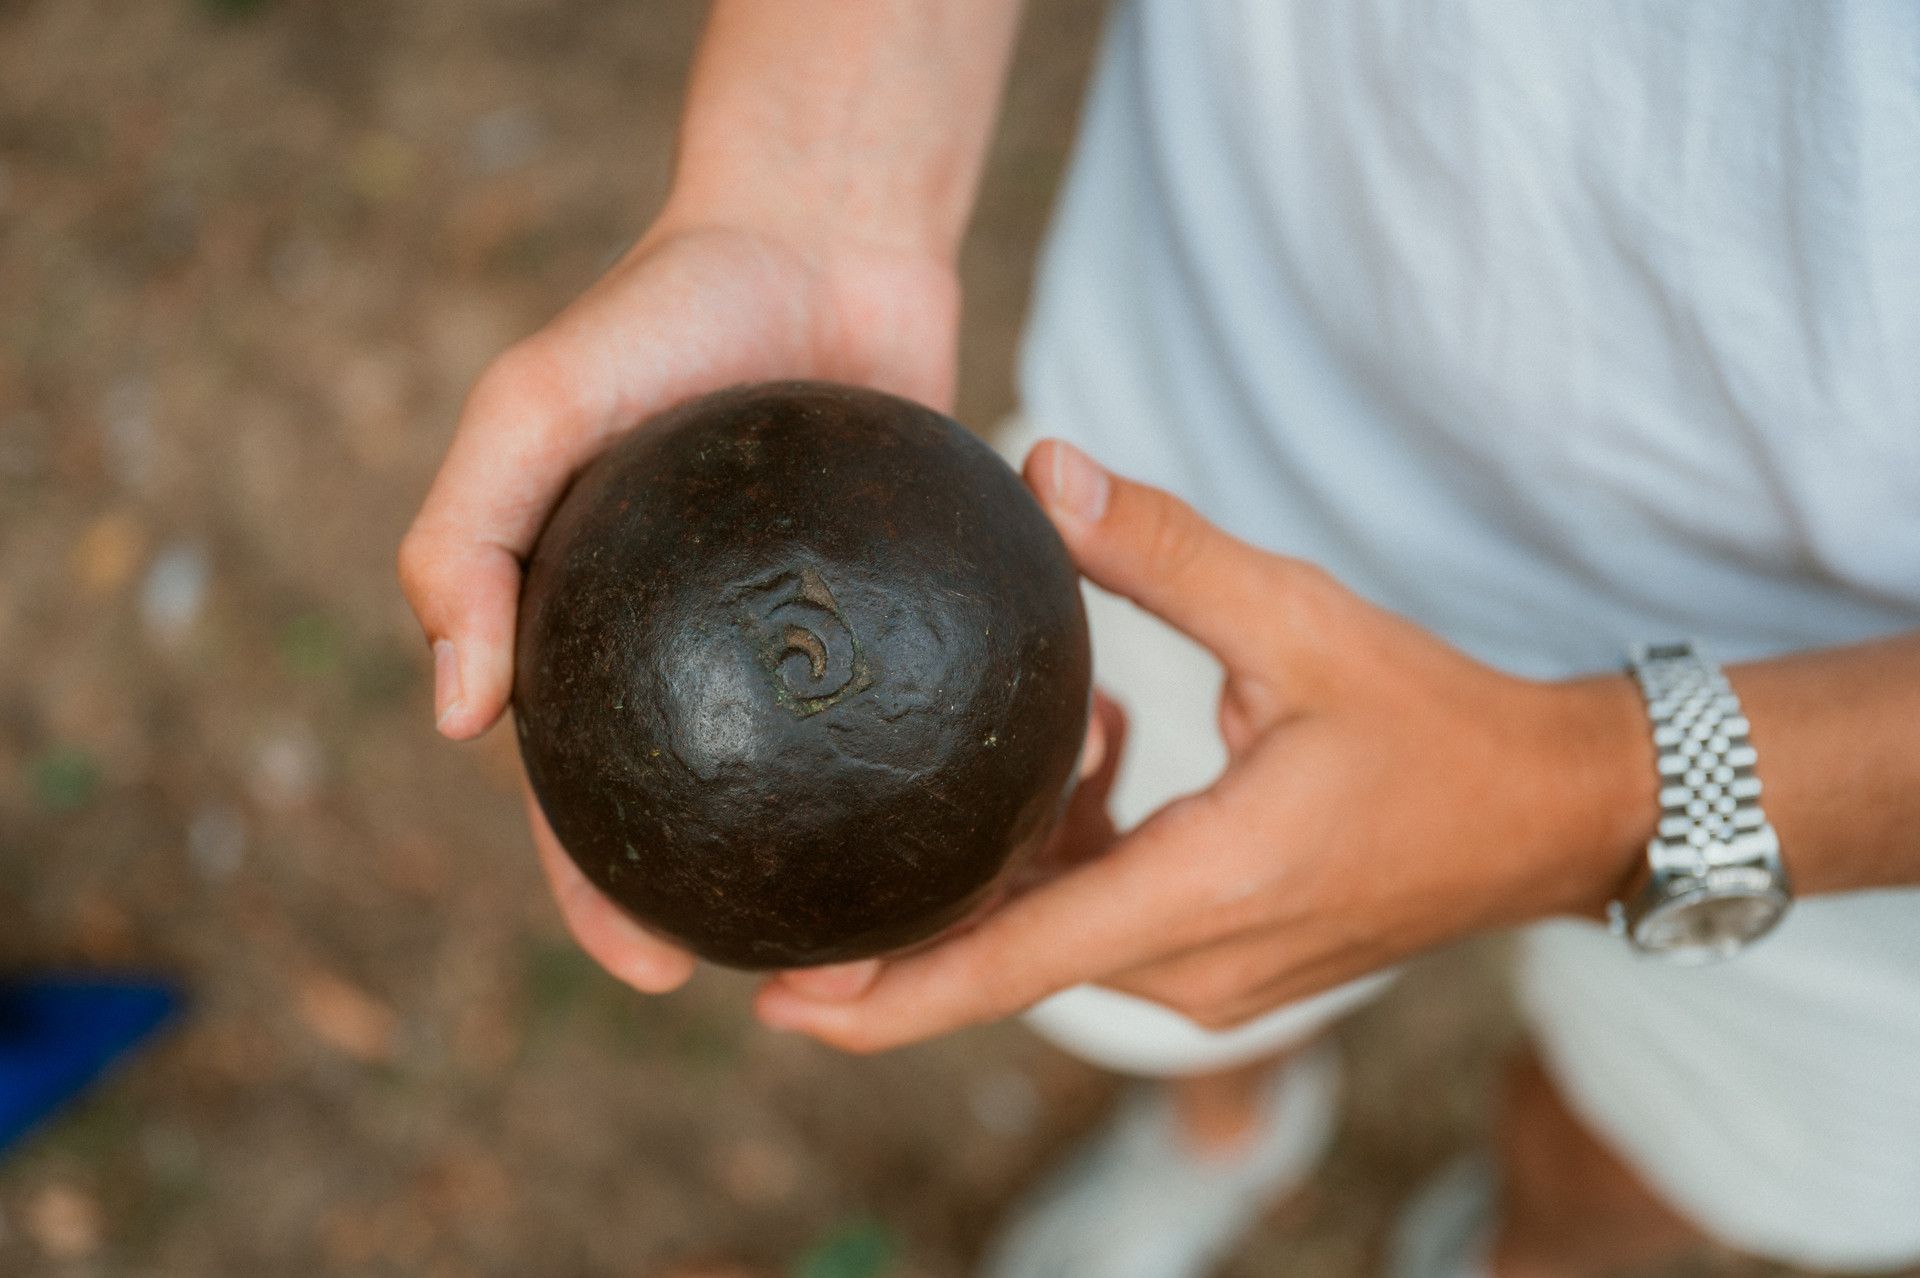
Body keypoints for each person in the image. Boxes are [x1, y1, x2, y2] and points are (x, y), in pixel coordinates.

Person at [398, 3, 1920, 1275]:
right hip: (1241, 401)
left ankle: (1522, 1243)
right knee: (1158, 939)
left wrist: (1595, 798)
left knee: (1672, 1144)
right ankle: (1225, 1126)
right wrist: (805, 184)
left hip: (1858, 743)